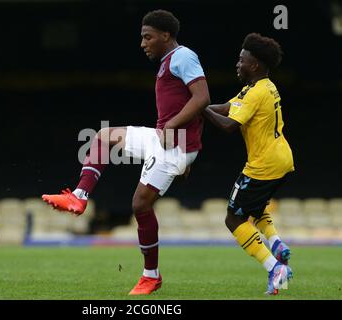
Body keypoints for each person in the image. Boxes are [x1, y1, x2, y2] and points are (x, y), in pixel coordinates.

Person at [42, 9, 210, 295]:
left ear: (166, 35)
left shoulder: (183, 57)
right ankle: (79, 198)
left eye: (148, 37)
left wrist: (183, 141)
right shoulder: (170, 61)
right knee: (104, 137)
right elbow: (196, 109)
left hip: (173, 144)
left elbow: (203, 98)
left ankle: (150, 276)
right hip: (167, 139)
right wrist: (190, 142)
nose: (143, 43)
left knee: (139, 205)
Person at [203, 33, 294, 295]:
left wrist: (199, 109)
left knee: (233, 219)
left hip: (263, 165)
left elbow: (229, 125)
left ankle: (274, 267)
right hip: (283, 161)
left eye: (241, 60)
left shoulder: (255, 93)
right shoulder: (263, 86)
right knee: (255, 207)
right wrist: (201, 106)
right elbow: (226, 108)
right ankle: (276, 243)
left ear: (254, 64)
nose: (237, 64)